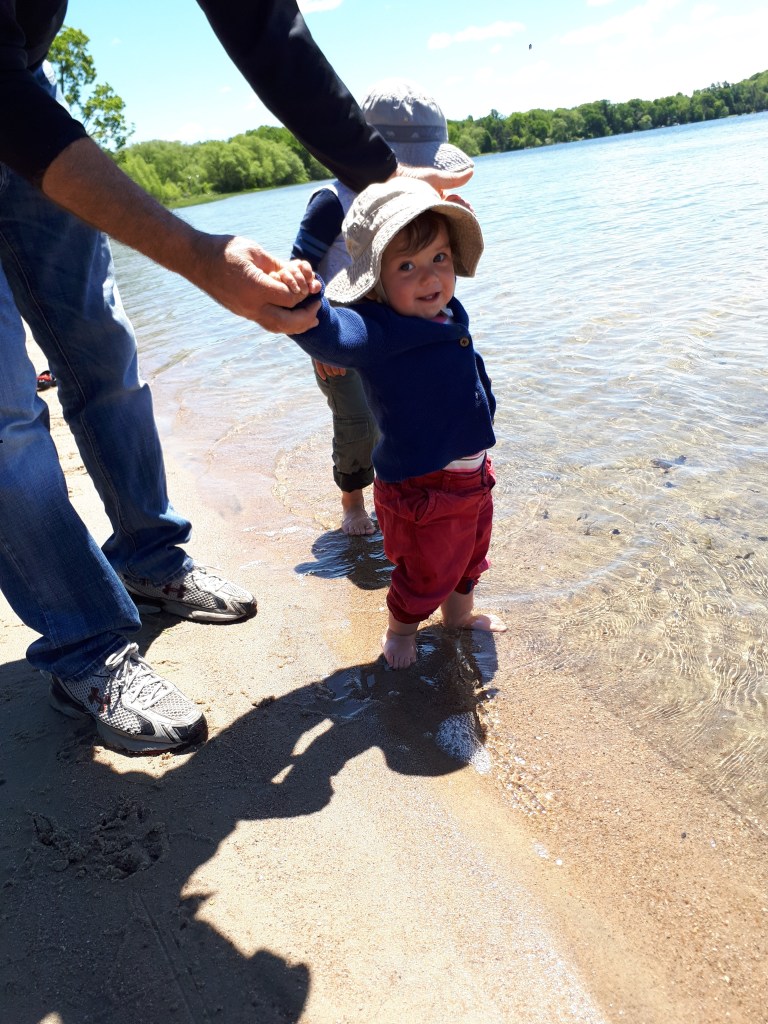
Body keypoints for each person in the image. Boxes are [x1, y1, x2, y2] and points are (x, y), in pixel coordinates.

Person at [0, 2, 473, 754]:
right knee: (5, 412)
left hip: (24, 81)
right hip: (6, 95)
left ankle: (150, 557)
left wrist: (385, 183)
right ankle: (84, 642)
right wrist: (196, 253)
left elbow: (259, 20)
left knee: (101, 348)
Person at [283, 179, 508, 669]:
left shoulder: (444, 310)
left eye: (440, 258)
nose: (430, 277)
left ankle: (459, 617)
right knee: (426, 571)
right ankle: (400, 630)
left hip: (471, 474)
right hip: (423, 487)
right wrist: (307, 308)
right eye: (407, 266)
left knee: (469, 557)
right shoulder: (377, 327)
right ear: (376, 282)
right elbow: (336, 335)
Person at [290, 79, 474, 536]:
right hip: (344, 331)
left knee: (402, 412)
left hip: (404, 326)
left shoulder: (418, 197)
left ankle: (405, 495)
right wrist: (318, 343)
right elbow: (299, 269)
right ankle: (353, 503)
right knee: (355, 424)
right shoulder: (332, 202)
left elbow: (439, 257)